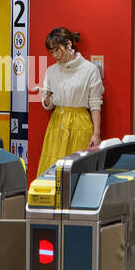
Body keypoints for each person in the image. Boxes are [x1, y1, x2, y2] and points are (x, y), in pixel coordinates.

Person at [30, 27, 102, 177]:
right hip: (57, 124)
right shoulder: (52, 71)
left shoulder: (90, 69)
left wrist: (96, 133)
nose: (54, 55)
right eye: (51, 52)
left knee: (78, 170)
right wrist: (46, 97)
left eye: (57, 50)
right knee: (53, 169)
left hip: (80, 123)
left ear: (68, 44)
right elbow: (49, 105)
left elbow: (95, 104)